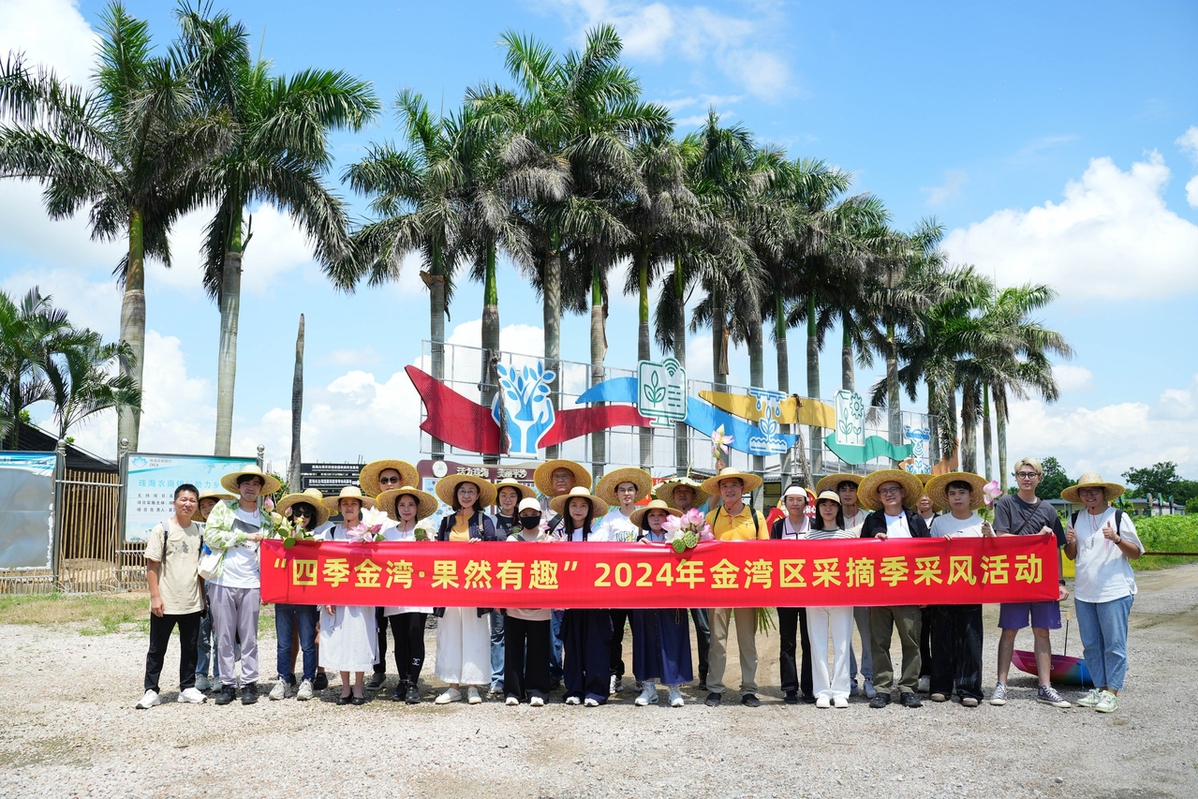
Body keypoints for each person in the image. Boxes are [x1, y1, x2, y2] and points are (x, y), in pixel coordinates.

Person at [991, 457, 1071, 708]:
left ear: (1039, 478)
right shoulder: (1005, 504)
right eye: (1021, 474)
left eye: (1031, 473)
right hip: (1014, 577)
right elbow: (1001, 537)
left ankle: (1045, 686)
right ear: (1015, 478)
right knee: (1009, 631)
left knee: (1042, 631)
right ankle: (1001, 685)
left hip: (1042, 579)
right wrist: (1036, 537)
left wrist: (1060, 582)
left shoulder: (1048, 509)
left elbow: (1055, 548)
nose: (1026, 478)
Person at [1062, 474, 1143, 714]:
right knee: (1091, 645)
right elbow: (1070, 555)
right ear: (1079, 496)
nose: (1089, 495)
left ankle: (1112, 691)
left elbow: (1137, 553)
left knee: (1114, 644)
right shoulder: (1076, 518)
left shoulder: (1118, 516)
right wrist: (1071, 541)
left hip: (1115, 591)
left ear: (1104, 493)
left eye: (1094, 491)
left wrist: (1116, 538)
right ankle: (1099, 687)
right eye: (1084, 492)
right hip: (1085, 593)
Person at [205, 465, 279, 706]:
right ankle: (227, 683)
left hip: (251, 582)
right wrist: (243, 536)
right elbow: (211, 536)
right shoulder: (224, 508)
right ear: (238, 486)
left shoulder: (267, 519)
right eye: (246, 483)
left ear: (261, 489)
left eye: (256, 484)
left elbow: (272, 554)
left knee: (249, 637)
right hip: (223, 579)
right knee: (224, 635)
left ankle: (249, 682)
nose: (250, 487)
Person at [858, 469, 930, 709]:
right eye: (884, 491)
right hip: (879, 593)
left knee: (911, 640)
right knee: (879, 641)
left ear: (902, 493)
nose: (889, 494)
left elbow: (928, 555)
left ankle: (908, 687)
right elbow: (861, 556)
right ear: (879, 497)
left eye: (893, 490)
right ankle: (882, 688)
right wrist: (872, 542)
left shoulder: (915, 519)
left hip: (909, 592)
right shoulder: (872, 520)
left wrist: (926, 592)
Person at [700, 467, 769, 707]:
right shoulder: (711, 518)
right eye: (724, 486)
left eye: (734, 486)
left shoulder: (757, 517)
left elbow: (767, 553)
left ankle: (749, 688)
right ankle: (715, 688)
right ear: (719, 491)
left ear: (743, 489)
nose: (729, 490)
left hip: (747, 588)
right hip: (718, 587)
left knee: (746, 640)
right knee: (717, 640)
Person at [925, 473, 994, 707]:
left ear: (971, 496)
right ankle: (941, 686)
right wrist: (940, 546)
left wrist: (990, 537)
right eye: (952, 494)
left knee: (970, 638)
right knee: (942, 637)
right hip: (943, 590)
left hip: (972, 590)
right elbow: (929, 556)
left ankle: (969, 689)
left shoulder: (981, 524)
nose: (957, 498)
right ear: (947, 498)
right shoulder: (939, 523)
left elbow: (994, 557)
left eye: (961, 493)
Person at [136, 484, 207, 709]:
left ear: (196, 505)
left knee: (190, 647)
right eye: (183, 500)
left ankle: (187, 687)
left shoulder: (200, 531)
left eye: (192, 500)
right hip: (166, 602)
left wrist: (203, 598)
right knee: (157, 648)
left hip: (192, 601)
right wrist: (155, 597)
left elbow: (202, 570)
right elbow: (152, 565)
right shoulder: (162, 529)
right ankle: (151, 690)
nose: (187, 504)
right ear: (174, 502)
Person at [433, 474, 498, 705]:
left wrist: (481, 547)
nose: (467, 495)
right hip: (449, 585)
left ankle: (473, 686)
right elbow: (438, 552)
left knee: (475, 634)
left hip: (474, 586)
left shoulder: (484, 520)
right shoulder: (446, 521)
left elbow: (495, 552)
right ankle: (453, 686)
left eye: (471, 491)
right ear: (456, 495)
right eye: (462, 491)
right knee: (449, 635)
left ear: (478, 495)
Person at [358, 459, 420, 693]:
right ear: (378, 485)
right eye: (384, 480)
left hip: (405, 585)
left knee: (405, 633)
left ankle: (408, 679)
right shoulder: (373, 517)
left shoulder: (414, 519)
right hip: (378, 582)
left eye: (393, 479)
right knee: (378, 628)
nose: (389, 483)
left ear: (401, 481)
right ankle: (379, 670)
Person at [376, 483, 440, 704]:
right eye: (402, 505)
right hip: (394, 596)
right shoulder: (386, 534)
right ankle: (402, 681)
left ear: (417, 508)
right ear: (396, 508)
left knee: (415, 636)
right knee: (399, 640)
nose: (406, 509)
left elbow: (436, 562)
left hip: (419, 596)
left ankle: (414, 682)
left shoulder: (427, 532)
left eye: (410, 504)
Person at [318, 486, 380, 705]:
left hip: (362, 596)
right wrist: (325, 596)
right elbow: (323, 565)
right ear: (339, 508)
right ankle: (345, 688)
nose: (349, 507)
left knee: (360, 639)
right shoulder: (331, 533)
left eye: (354, 503)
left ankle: (359, 687)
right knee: (340, 640)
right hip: (336, 595)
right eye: (345, 504)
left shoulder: (370, 533)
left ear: (361, 507)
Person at [534, 458, 593, 689]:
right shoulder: (540, 505)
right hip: (551, 576)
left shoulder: (585, 507)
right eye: (556, 476)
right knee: (553, 629)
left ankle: (577, 671)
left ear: (573, 480)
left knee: (577, 628)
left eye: (565, 476)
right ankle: (554, 673)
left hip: (580, 578)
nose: (560, 480)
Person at [553, 486, 613, 706]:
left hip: (596, 599)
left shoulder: (600, 532)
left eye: (583, 505)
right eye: (574, 505)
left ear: (590, 510)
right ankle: (574, 689)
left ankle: (596, 691)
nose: (578, 510)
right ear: (568, 509)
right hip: (569, 600)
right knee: (573, 645)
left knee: (596, 646)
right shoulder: (559, 535)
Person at [629, 499, 692, 707]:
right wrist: (636, 550)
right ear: (646, 520)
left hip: (673, 599)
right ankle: (648, 687)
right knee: (644, 640)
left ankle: (674, 688)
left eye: (660, 515)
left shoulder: (679, 540)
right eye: (652, 515)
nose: (656, 519)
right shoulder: (639, 541)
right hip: (644, 600)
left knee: (674, 640)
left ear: (668, 519)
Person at [596, 466, 653, 695]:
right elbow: (599, 546)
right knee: (614, 634)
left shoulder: (643, 517)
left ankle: (641, 677)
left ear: (636, 494)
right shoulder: (609, 519)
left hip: (640, 586)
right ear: (617, 495)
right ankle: (614, 674)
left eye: (630, 490)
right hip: (616, 587)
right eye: (622, 490)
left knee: (640, 634)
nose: (627, 493)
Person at [816, 472, 873, 698]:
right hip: (836, 586)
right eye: (843, 490)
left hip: (862, 584)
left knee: (867, 634)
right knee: (842, 636)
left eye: (852, 489)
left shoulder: (869, 518)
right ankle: (847, 678)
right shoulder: (827, 522)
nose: (848, 494)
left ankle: (870, 676)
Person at [268, 488, 328, 702]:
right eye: (298, 512)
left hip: (307, 596)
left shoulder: (317, 537)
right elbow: (270, 561)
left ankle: (308, 679)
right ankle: (283, 678)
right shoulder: (279, 534)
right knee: (283, 642)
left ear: (312, 518)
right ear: (291, 513)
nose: (302, 517)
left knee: (308, 642)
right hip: (283, 595)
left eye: (307, 513)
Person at [657, 477, 712, 689]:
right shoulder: (665, 520)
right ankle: (674, 675)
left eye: (686, 492)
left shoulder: (702, 519)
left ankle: (705, 673)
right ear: (672, 496)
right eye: (678, 491)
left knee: (704, 629)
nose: (682, 494)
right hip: (671, 583)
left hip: (698, 580)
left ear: (693, 496)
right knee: (674, 629)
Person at [502, 497, 556, 707]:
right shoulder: (512, 540)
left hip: (541, 606)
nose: (529, 517)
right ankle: (513, 692)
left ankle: (538, 692)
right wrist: (501, 602)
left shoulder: (549, 540)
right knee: (513, 650)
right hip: (515, 606)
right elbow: (505, 573)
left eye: (533, 514)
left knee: (538, 650)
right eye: (524, 515)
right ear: (519, 517)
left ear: (540, 516)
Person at [806, 491, 858, 708]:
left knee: (843, 644)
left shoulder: (849, 537)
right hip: (814, 597)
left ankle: (840, 690)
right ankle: (821, 692)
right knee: (817, 644)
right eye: (823, 505)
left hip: (842, 597)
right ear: (817, 509)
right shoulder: (809, 536)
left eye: (832, 505)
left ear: (838, 509)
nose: (828, 509)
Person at [489, 478, 537, 699]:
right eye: (503, 495)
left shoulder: (528, 520)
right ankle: (498, 679)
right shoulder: (490, 522)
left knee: (524, 633)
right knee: (498, 632)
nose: (507, 499)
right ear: (498, 499)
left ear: (518, 500)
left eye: (512, 496)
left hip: (525, 586)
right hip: (499, 583)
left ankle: (524, 676)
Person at [770, 484, 815, 704]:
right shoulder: (778, 528)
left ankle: (809, 687)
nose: (795, 504)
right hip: (786, 593)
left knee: (809, 641)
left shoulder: (815, 526)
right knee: (787, 641)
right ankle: (789, 687)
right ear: (785, 503)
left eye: (799, 500)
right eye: (791, 500)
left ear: (806, 503)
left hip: (811, 593)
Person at [193, 489, 235, 693]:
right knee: (202, 633)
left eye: (212, 505)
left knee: (221, 635)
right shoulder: (197, 533)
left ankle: (220, 674)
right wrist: (200, 593)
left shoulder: (229, 532)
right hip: (201, 587)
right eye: (203, 506)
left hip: (223, 586)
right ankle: (201, 674)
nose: (208, 509)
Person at [915, 481, 939, 693]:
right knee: (920, 632)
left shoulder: (942, 522)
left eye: (928, 493)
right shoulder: (908, 521)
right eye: (920, 493)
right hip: (915, 585)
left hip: (940, 585)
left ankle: (943, 673)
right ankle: (924, 672)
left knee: (940, 632)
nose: (924, 498)